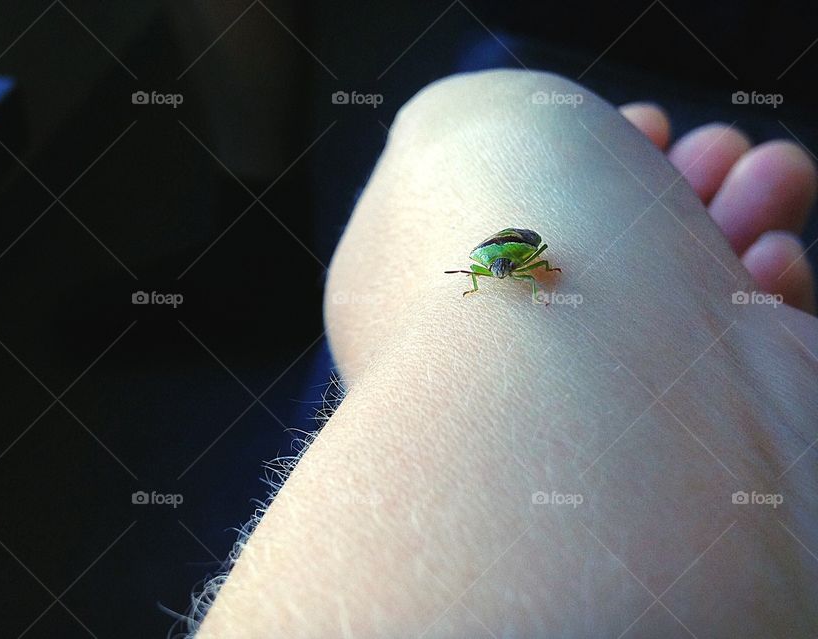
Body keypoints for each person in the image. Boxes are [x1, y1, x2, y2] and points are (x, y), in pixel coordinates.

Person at [194, 70, 818, 637]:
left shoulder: (520, 261)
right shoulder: (487, 265)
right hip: (521, 238)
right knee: (478, 114)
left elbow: (539, 255)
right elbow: (490, 263)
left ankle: (504, 130)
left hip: (527, 237)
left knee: (469, 113)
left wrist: (491, 124)